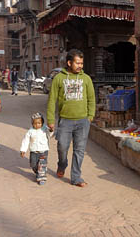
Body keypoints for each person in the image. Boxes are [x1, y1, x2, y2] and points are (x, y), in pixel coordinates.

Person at [47, 49, 95, 187]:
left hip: (83, 121)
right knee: (62, 147)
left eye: (81, 63)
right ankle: (62, 164)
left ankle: (76, 177)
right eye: (77, 63)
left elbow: (91, 99)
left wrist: (90, 116)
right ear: (69, 63)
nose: (80, 66)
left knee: (79, 150)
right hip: (65, 121)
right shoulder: (59, 78)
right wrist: (50, 120)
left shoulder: (86, 79)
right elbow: (51, 101)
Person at [20, 113, 53, 185]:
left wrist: (51, 130)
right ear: (32, 123)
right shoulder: (30, 131)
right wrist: (23, 150)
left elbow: (50, 134)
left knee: (42, 164)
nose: (37, 125)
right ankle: (38, 172)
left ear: (42, 123)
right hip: (34, 151)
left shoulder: (45, 129)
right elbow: (26, 140)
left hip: (43, 150)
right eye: (35, 123)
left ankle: (41, 177)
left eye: (39, 123)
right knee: (33, 164)